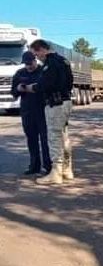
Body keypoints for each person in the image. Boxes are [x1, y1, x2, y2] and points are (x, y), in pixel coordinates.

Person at [22, 39, 74, 185]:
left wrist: (29, 88)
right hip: (66, 101)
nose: (36, 57)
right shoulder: (63, 61)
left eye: (36, 54)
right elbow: (69, 82)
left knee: (54, 138)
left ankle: (56, 173)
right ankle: (67, 169)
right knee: (64, 137)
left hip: (55, 104)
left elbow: (46, 85)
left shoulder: (50, 64)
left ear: (42, 50)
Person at [12, 51, 52, 175]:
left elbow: (48, 88)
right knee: (31, 139)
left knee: (45, 140)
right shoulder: (20, 73)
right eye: (26, 64)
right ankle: (34, 166)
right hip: (27, 111)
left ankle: (48, 166)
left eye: (30, 63)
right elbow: (13, 92)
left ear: (35, 60)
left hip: (42, 110)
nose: (28, 66)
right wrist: (18, 89)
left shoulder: (43, 71)